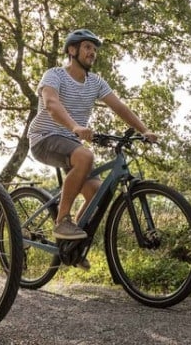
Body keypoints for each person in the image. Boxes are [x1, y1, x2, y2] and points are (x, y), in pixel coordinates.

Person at [28, 29, 158, 258]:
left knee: (98, 193)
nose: (92, 53)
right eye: (88, 47)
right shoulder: (55, 75)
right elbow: (51, 104)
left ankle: (71, 249)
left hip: (70, 143)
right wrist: (75, 127)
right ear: (72, 50)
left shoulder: (95, 82)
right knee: (86, 156)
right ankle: (62, 221)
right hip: (44, 137)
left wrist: (144, 130)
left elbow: (119, 107)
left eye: (95, 49)